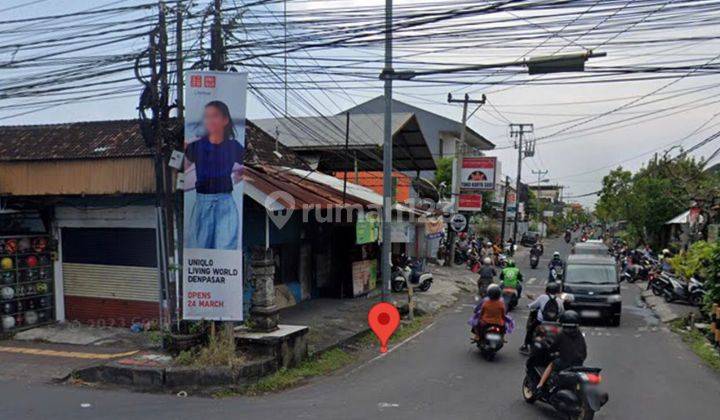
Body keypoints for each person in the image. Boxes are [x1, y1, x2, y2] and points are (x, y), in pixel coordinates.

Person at [185, 100, 244, 250]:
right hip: (202, 202)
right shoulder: (196, 146)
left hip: (225, 202)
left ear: (225, 120)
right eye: (207, 116)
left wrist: (240, 174)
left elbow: (248, 167)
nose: (210, 120)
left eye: (215, 116)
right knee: (199, 250)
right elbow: (180, 168)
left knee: (225, 251)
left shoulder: (234, 146)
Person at [535, 310, 587, 395]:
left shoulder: (561, 334)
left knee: (552, 364)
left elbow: (553, 347)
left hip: (565, 362)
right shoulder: (579, 334)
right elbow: (584, 350)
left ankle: (540, 385)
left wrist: (549, 351)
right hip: (579, 362)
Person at [519, 282, 564, 354]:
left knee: (530, 330)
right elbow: (561, 312)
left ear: (547, 290)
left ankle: (526, 345)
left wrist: (528, 306)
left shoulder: (542, 297)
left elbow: (533, 305)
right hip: (554, 323)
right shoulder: (560, 301)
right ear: (557, 291)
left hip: (541, 321)